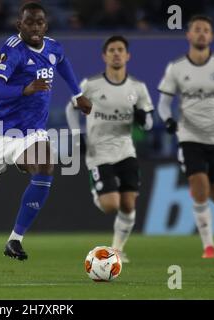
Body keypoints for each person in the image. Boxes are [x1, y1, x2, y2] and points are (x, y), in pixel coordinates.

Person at [0, 2, 92, 267]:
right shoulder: (12, 52)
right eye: (30, 23)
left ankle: (15, 239)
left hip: (31, 133)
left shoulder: (53, 47)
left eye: (40, 23)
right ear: (19, 25)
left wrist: (78, 94)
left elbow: (63, 62)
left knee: (46, 167)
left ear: (46, 25)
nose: (35, 28)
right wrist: (24, 89)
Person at [157, 15, 214, 258]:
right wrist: (167, 120)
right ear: (188, 35)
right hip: (190, 136)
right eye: (197, 29)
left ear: (212, 36)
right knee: (199, 184)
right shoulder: (176, 68)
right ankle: (209, 245)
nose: (201, 34)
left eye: (206, 30)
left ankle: (200, 191)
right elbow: (164, 103)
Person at [66, 35, 154, 263]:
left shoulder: (138, 88)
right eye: (112, 50)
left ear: (127, 55)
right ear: (104, 56)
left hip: (125, 151)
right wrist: (78, 137)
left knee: (128, 203)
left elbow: (149, 123)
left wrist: (143, 118)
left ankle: (117, 249)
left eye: (120, 49)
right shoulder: (91, 85)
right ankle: (97, 189)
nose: (116, 53)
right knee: (110, 205)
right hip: (98, 152)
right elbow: (70, 109)